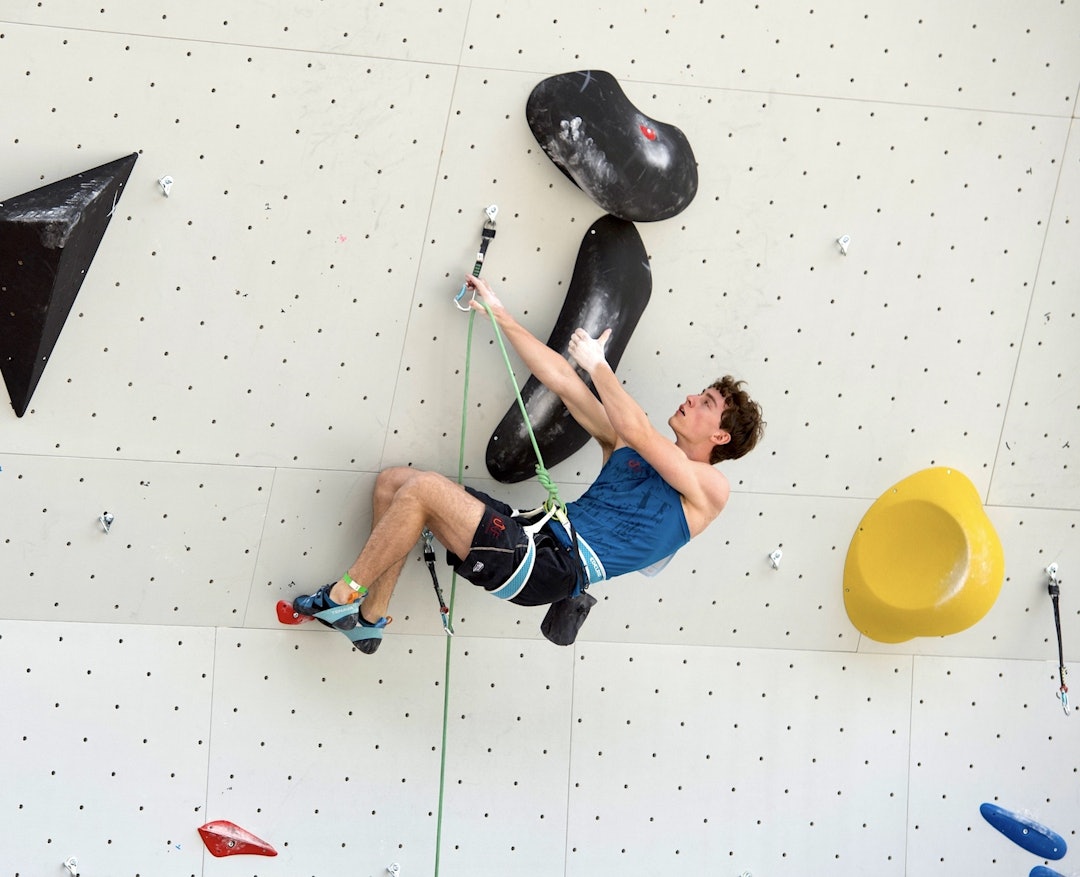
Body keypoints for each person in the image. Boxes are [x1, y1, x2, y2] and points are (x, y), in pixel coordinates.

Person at [291, 275, 765, 653]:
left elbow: (638, 428)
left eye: (706, 403)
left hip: (551, 567)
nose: (690, 399)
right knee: (396, 483)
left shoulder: (710, 491)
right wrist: (501, 315)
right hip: (530, 535)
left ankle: (342, 596)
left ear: (720, 436)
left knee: (424, 492)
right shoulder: (628, 445)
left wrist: (600, 365)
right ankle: (370, 622)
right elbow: (561, 379)